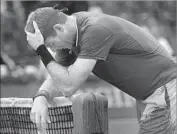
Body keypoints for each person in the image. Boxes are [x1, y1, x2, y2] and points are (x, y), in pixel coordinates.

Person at [24, 5, 176, 134]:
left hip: (165, 90)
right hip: (152, 96)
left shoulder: (94, 30)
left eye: (50, 44)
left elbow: (68, 86)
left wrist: (41, 50)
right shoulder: (70, 36)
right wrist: (41, 96)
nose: (53, 49)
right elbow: (57, 78)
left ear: (59, 28)